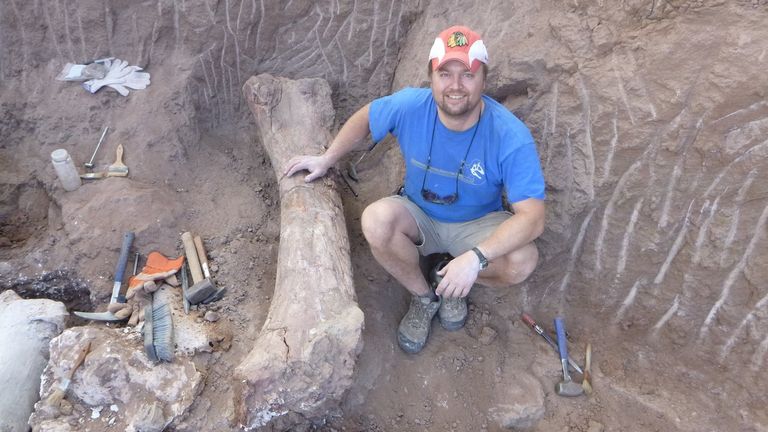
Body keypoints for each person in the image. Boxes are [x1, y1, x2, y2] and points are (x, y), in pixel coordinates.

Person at [285, 25, 546, 354]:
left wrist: (476, 258)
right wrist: (327, 158)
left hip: (477, 224)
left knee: (522, 260)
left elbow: (533, 218)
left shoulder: (509, 134)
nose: (455, 86)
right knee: (376, 221)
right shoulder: (411, 106)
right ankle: (424, 296)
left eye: (467, 74)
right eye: (444, 74)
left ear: (484, 79)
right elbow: (367, 117)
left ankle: (449, 282)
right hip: (419, 213)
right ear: (431, 77)